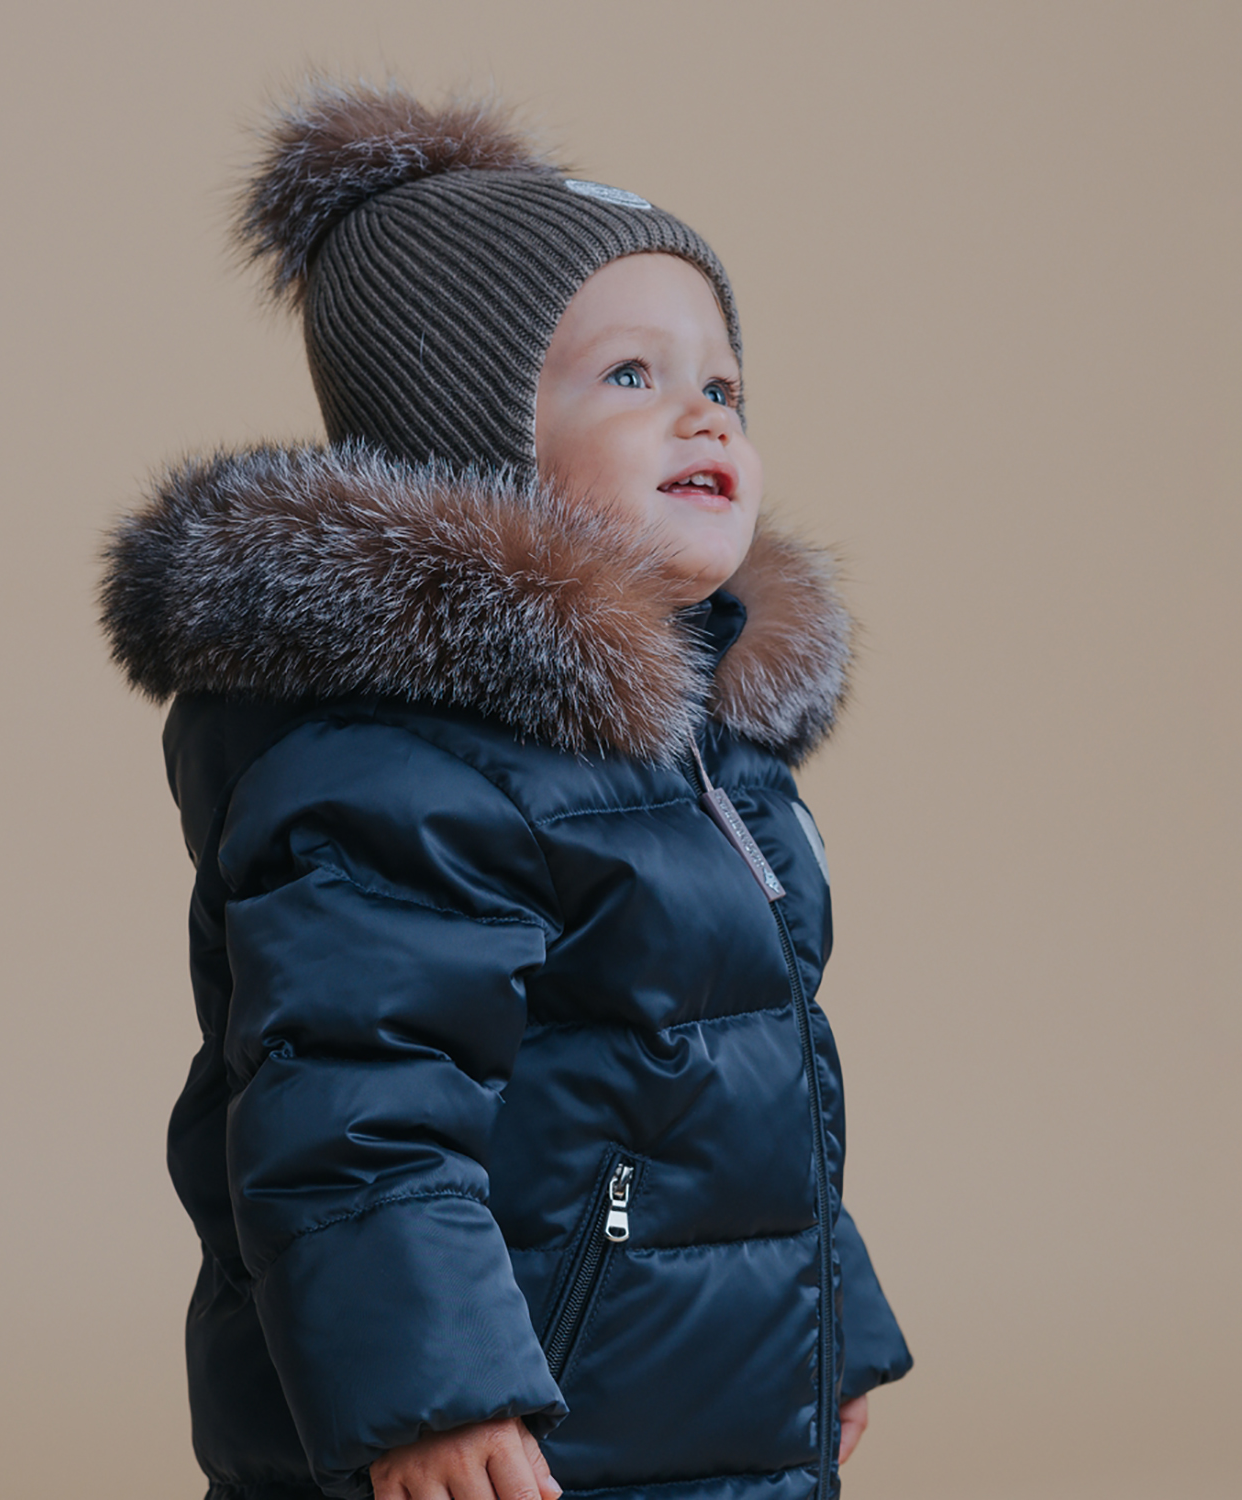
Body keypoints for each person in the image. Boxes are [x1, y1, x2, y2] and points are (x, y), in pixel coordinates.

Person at [100, 81, 912, 1500]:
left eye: (723, 386)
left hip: (682, 1403)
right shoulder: (400, 767)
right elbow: (354, 1108)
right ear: (471, 440)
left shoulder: (699, 748)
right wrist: (430, 1393)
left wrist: (824, 1329)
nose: (703, 416)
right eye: (632, 378)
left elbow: (748, 1095)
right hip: (499, 1424)